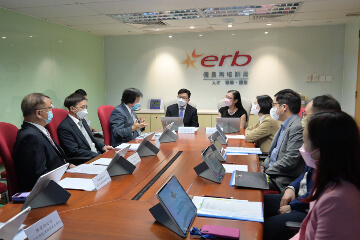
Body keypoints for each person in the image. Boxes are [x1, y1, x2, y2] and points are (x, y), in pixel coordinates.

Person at [263, 95, 342, 240]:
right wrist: (291, 188)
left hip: (308, 207)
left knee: (266, 227)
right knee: (260, 203)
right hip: (299, 197)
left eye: (306, 114)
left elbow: (319, 194)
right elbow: (306, 172)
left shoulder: (333, 149)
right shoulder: (316, 138)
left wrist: (293, 205)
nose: (303, 117)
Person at [290, 111, 360, 240]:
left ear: (323, 149)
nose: (302, 148)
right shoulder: (327, 178)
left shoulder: (337, 200)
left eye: (304, 142)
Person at [13, 93, 74, 192]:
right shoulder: (30, 137)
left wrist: (68, 166)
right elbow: (39, 176)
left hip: (60, 178)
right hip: (48, 190)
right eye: (49, 108)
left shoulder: (39, 130)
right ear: (38, 113)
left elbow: (54, 159)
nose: (52, 111)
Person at [261, 89, 304, 193]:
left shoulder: (297, 126)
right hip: (272, 174)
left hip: (281, 180)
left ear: (284, 107)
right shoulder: (284, 124)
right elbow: (272, 154)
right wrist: (263, 166)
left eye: (274, 105)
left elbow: (290, 160)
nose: (272, 108)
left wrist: (266, 171)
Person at [57, 93, 113, 159]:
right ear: (72, 109)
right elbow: (74, 151)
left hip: (96, 154)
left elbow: (92, 139)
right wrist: (99, 156)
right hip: (85, 159)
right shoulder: (64, 127)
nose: (85, 110)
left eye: (86, 107)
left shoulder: (82, 120)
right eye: (82, 107)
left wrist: (103, 147)